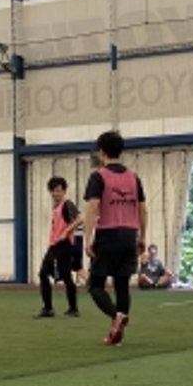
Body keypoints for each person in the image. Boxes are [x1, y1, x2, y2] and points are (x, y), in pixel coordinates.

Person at [83, 131, 147, 346]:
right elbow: (143, 209)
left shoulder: (98, 176)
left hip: (108, 234)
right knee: (122, 285)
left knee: (95, 285)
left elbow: (93, 207)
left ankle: (115, 317)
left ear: (101, 151)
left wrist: (88, 238)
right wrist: (142, 236)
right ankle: (116, 335)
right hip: (129, 235)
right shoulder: (133, 177)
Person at [37, 176, 81, 318]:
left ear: (64, 190)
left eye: (58, 190)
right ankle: (48, 308)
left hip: (63, 245)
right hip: (54, 245)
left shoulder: (67, 204)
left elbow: (80, 218)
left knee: (65, 276)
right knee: (44, 274)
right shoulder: (57, 207)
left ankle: (72, 308)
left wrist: (66, 231)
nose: (56, 193)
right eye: (53, 191)